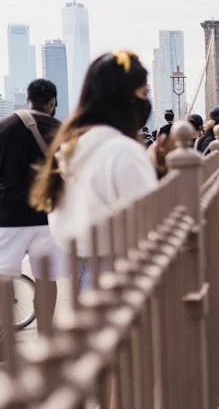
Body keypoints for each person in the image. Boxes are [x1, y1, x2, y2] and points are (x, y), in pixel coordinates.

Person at [30, 51, 159, 286]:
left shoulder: (69, 147)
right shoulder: (124, 152)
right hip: (123, 272)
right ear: (126, 99)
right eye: (144, 93)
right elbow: (149, 223)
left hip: (80, 270)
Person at [0, 78, 66, 331]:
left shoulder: (5, 127)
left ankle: (4, 337)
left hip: (8, 218)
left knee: (4, 278)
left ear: (28, 100)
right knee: (47, 279)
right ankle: (46, 336)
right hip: (47, 218)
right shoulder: (60, 130)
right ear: (52, 103)